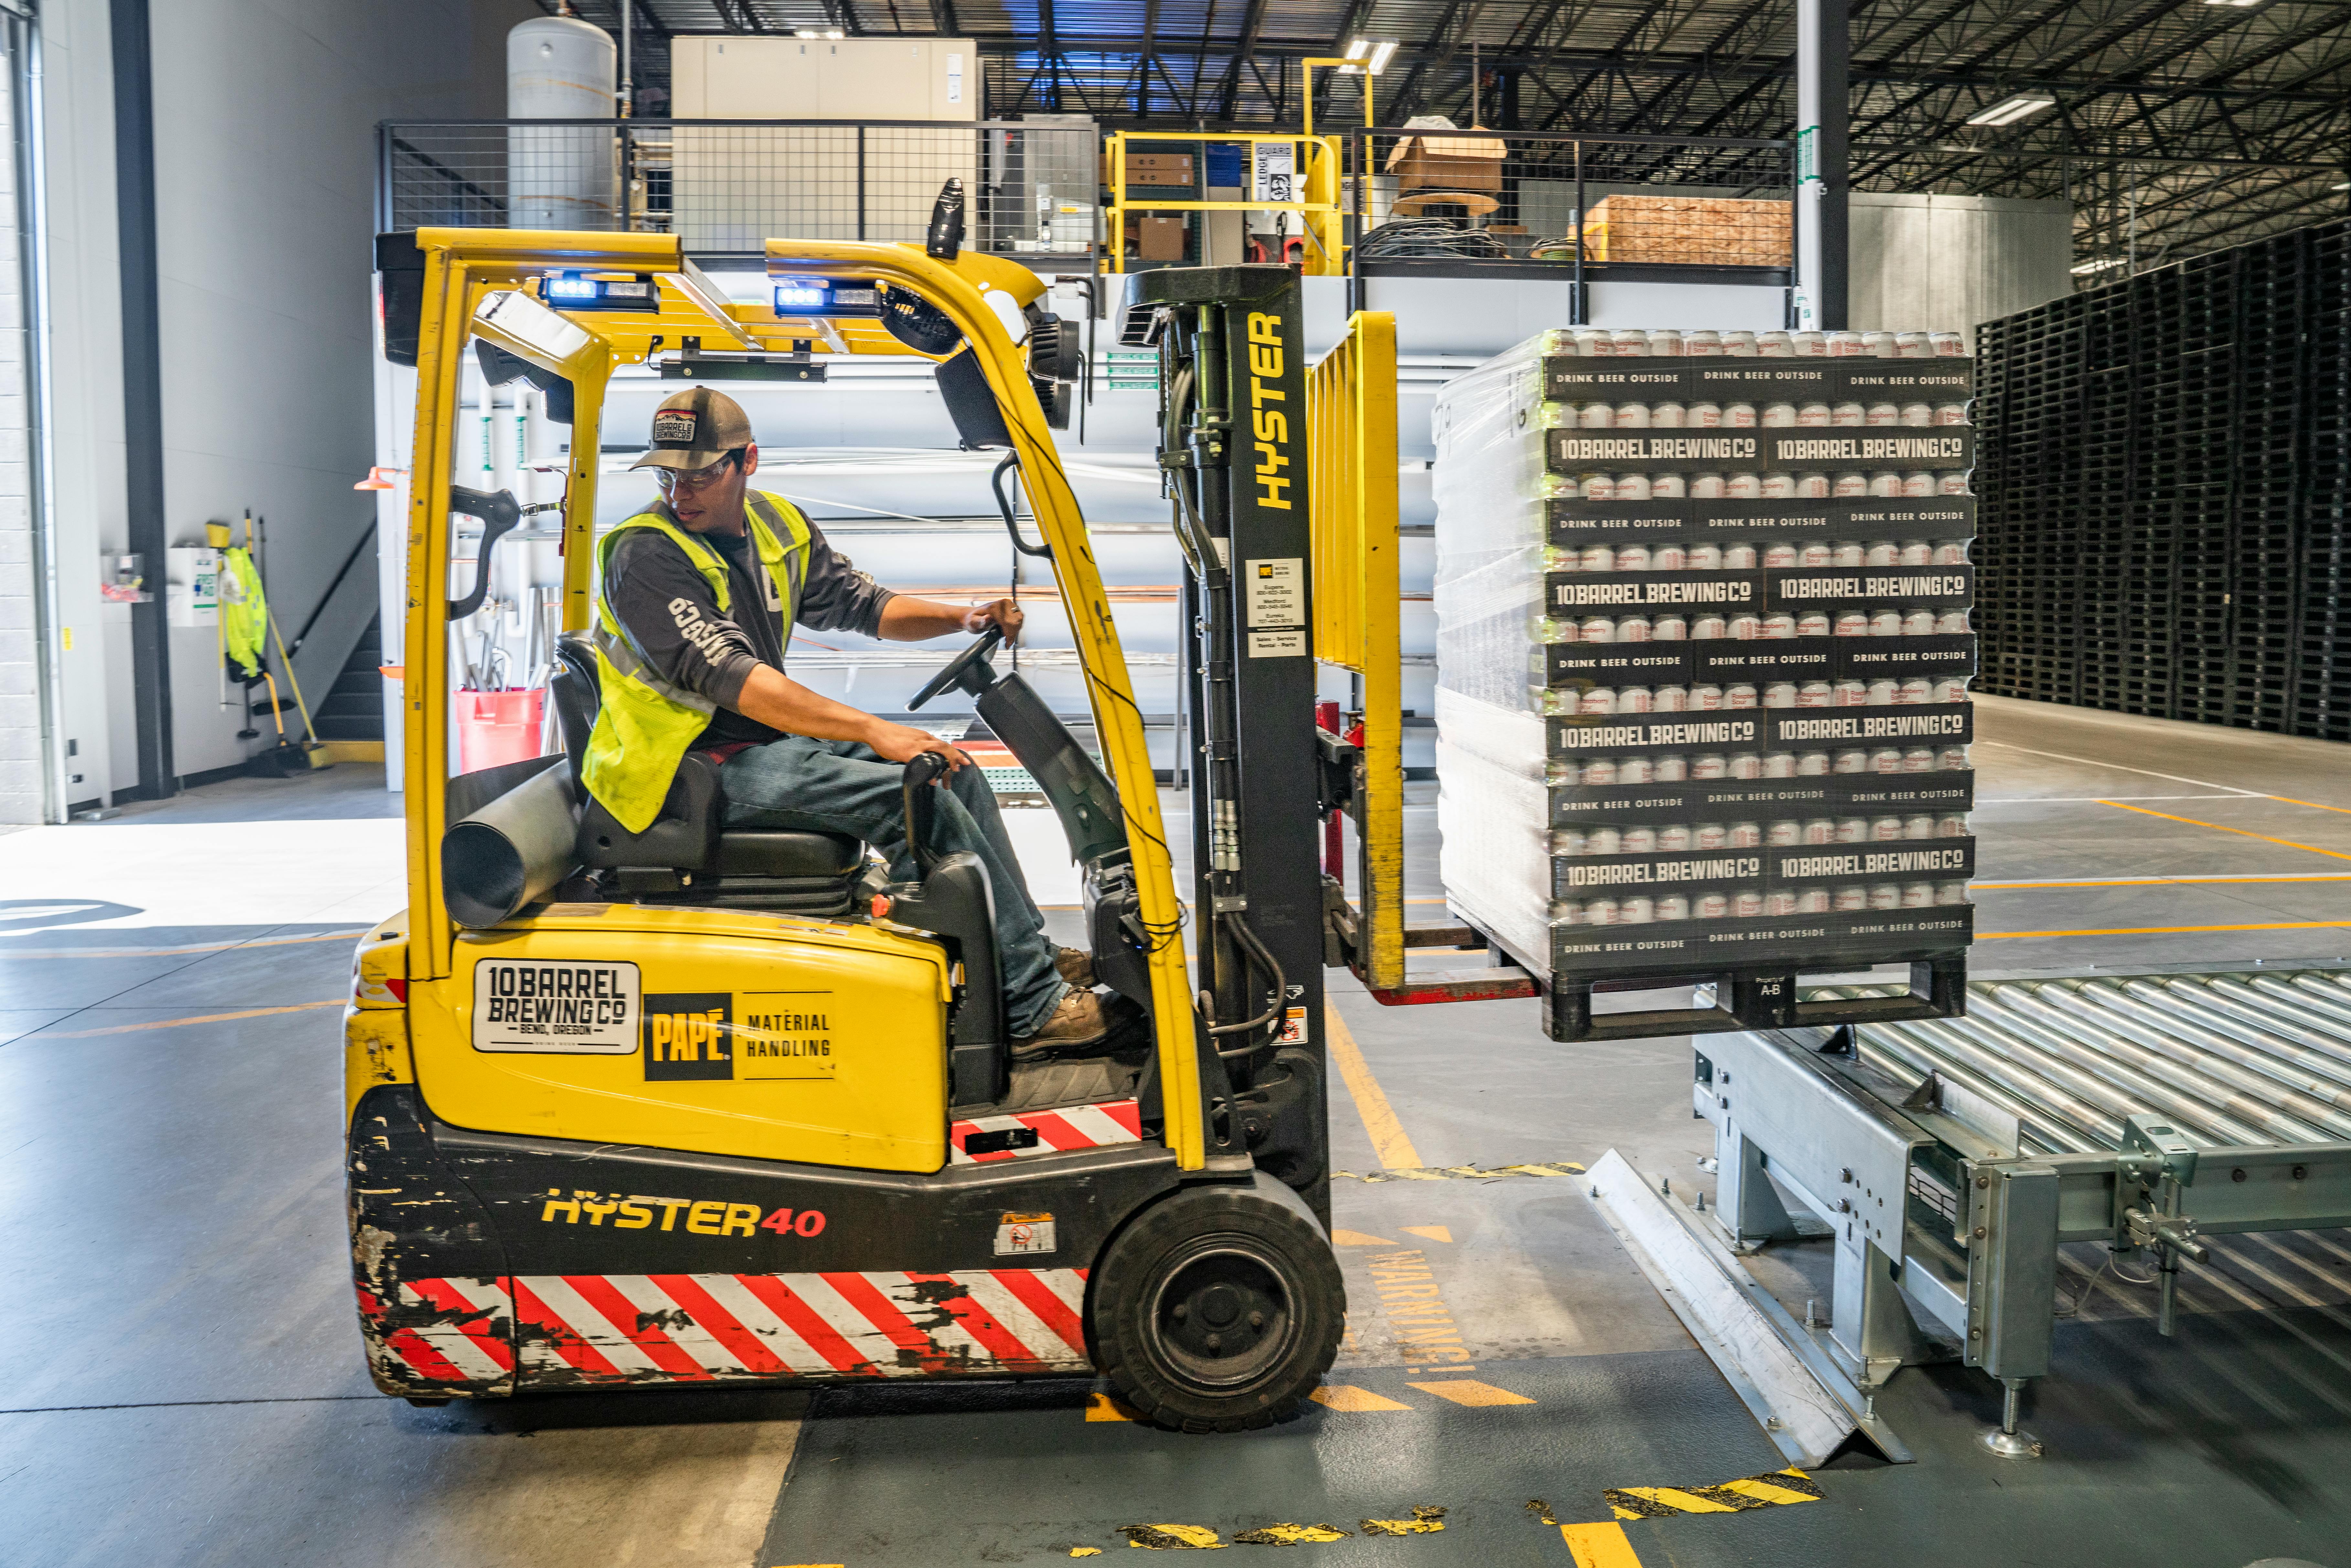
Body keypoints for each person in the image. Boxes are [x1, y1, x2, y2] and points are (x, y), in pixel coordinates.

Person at [582, 386, 1107, 1054]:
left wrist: (959, 616)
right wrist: (870, 729)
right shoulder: (646, 555)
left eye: (700, 472)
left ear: (748, 462)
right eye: (668, 473)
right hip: (685, 771)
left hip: (751, 744)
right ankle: (1031, 1007)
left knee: (953, 771)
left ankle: (1023, 955)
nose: (679, 490)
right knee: (912, 797)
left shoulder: (775, 524)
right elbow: (736, 680)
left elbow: (863, 605)